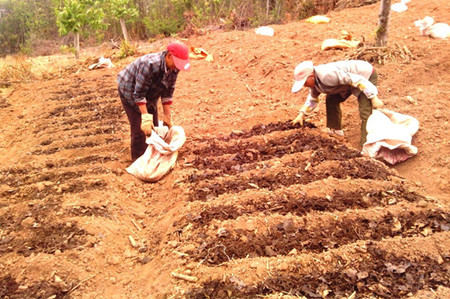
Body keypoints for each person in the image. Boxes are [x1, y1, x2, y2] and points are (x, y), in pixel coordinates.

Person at [117, 41, 190, 161]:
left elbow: (168, 92)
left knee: (154, 127)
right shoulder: (150, 65)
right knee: (140, 129)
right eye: (178, 63)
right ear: (169, 56)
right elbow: (139, 94)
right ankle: (139, 160)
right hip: (129, 89)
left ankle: (153, 155)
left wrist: (167, 116)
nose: (178, 67)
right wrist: (145, 117)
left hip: (151, 91)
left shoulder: (174, 68)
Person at [291, 60, 384, 146]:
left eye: (304, 82)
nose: (304, 85)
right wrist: (301, 115)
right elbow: (312, 99)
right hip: (348, 83)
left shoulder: (327, 75)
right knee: (331, 99)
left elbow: (357, 80)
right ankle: (336, 132)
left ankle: (367, 144)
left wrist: (373, 97)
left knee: (365, 111)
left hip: (364, 76)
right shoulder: (314, 83)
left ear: (311, 76)